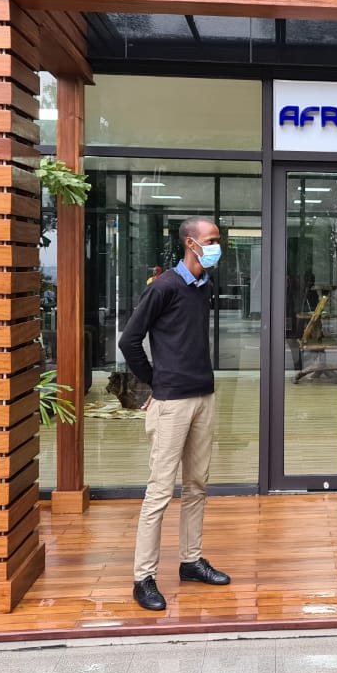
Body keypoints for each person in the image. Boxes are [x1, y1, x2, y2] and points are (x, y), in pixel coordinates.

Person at [118, 217, 231, 612]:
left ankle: (191, 561)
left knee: (197, 485)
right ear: (190, 243)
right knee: (160, 491)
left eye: (218, 240)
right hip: (172, 403)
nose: (217, 246)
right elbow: (129, 341)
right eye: (211, 240)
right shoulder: (164, 286)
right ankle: (143, 578)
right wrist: (156, 382)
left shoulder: (204, 286)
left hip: (204, 397)